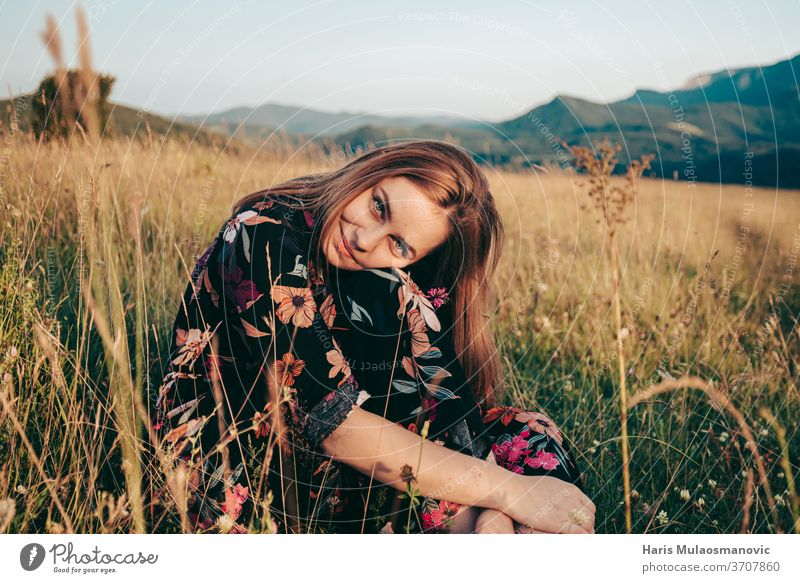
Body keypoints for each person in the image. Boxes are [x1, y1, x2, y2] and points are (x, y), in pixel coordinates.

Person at [151, 140, 595, 534]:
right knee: (516, 483)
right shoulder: (261, 235)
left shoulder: (387, 279)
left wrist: (498, 508)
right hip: (246, 457)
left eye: (400, 244)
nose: (366, 238)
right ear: (372, 171)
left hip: (364, 454)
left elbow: (447, 415)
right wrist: (508, 491)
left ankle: (491, 534)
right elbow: (333, 428)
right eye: (380, 206)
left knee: (529, 434)